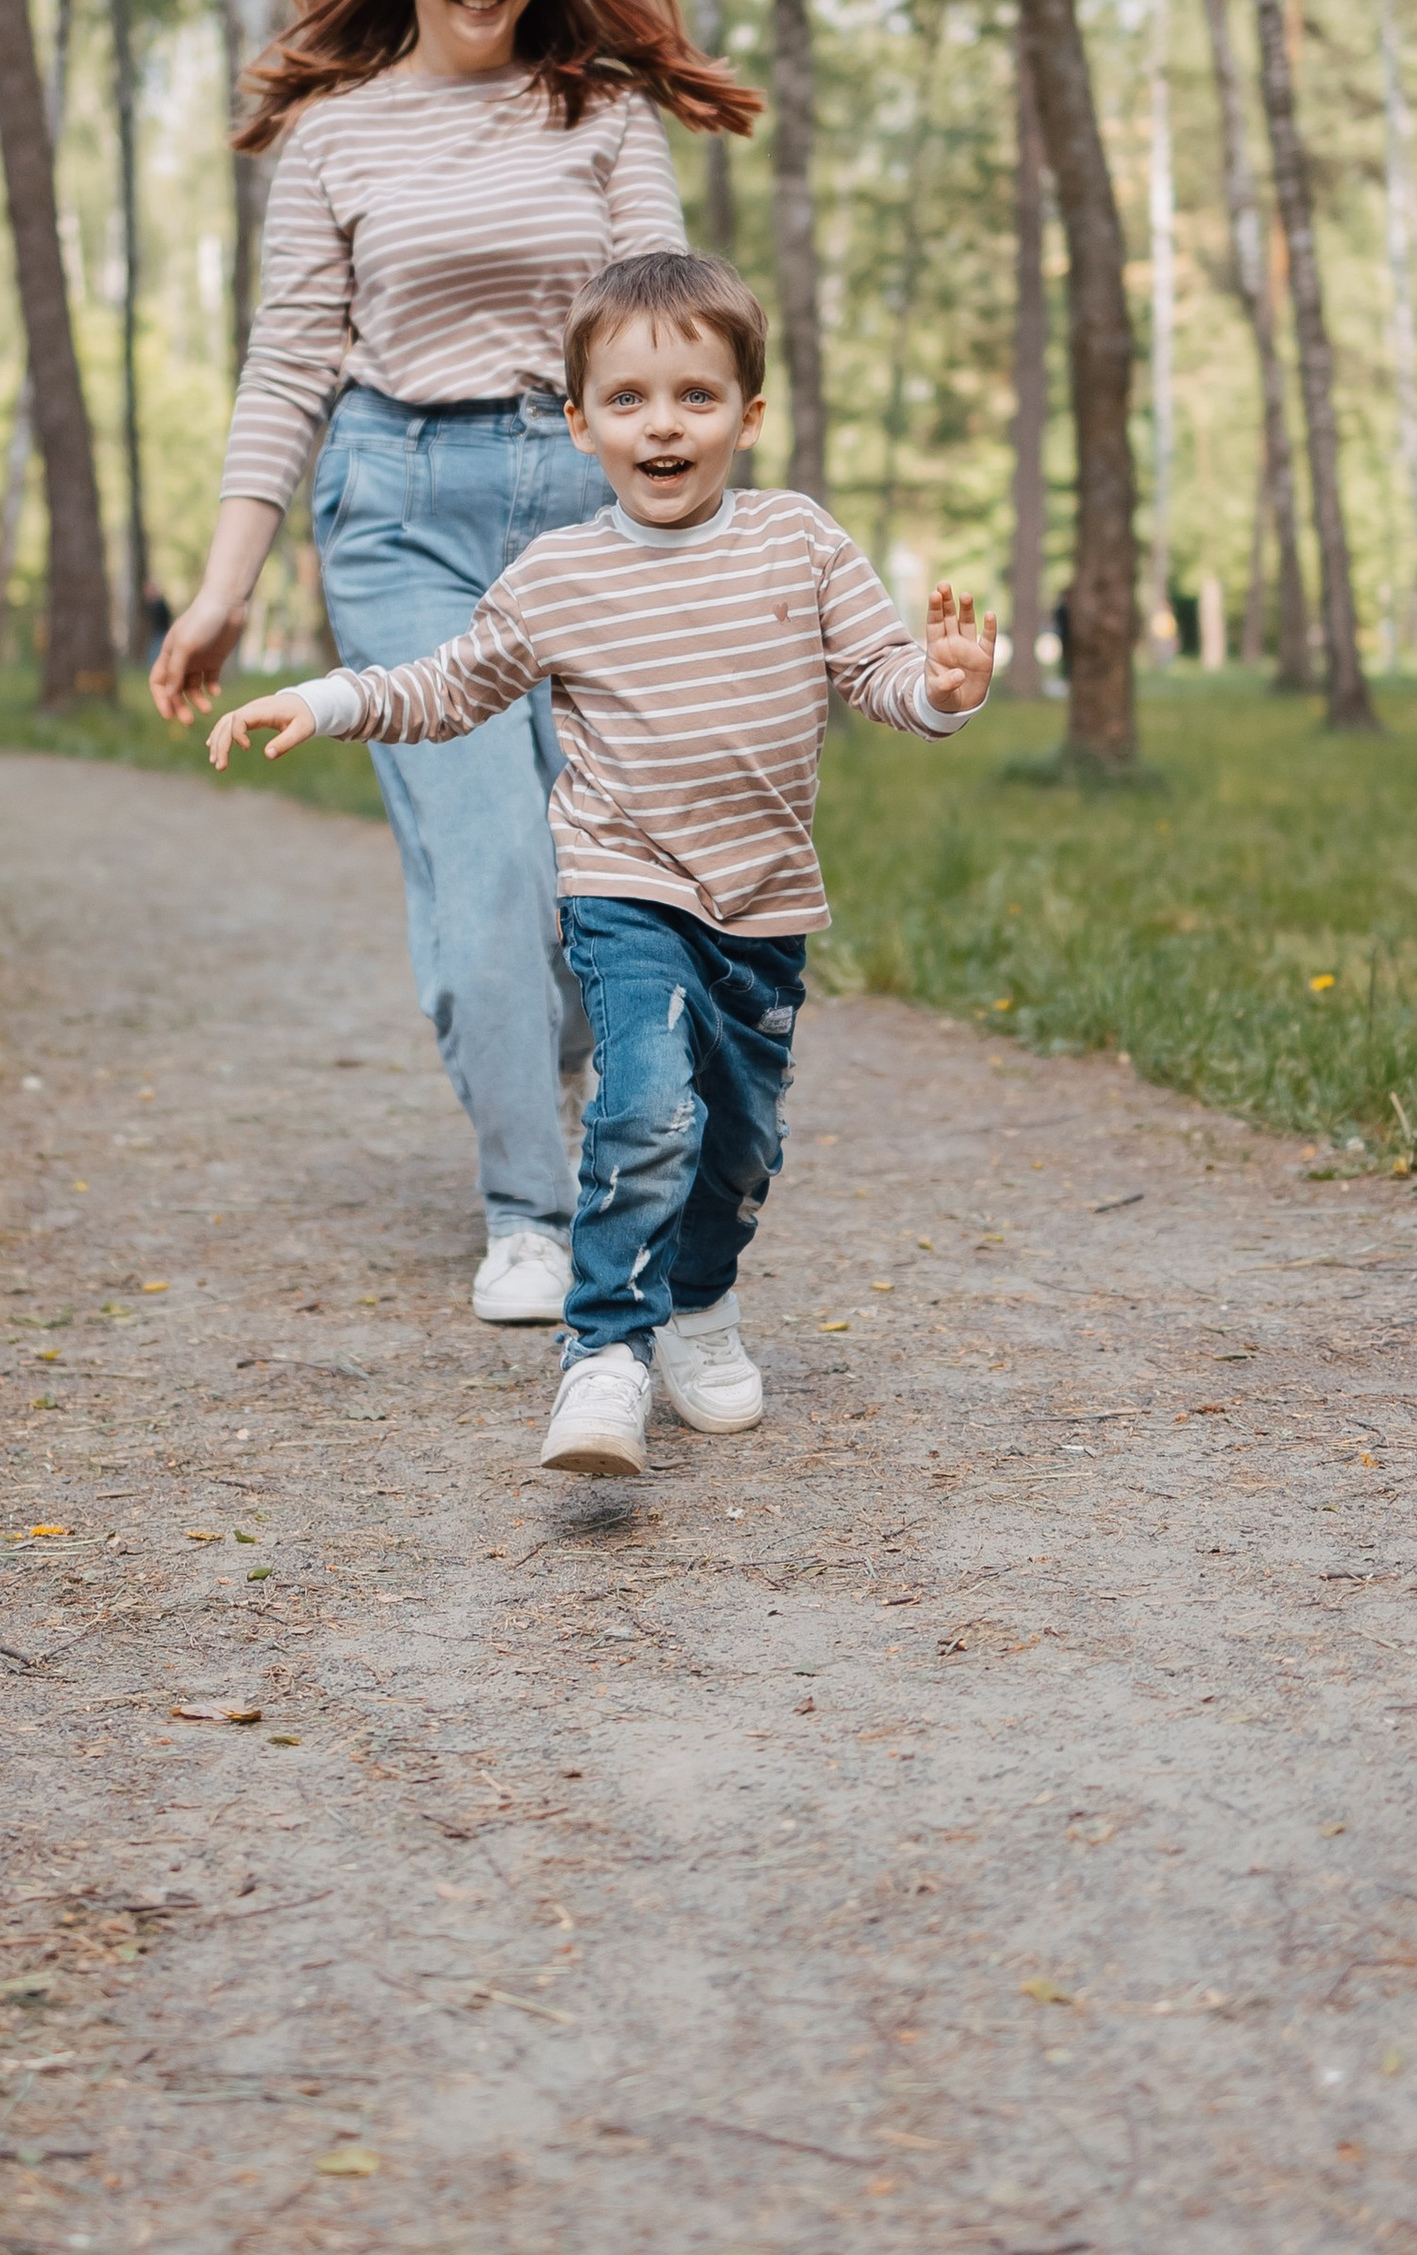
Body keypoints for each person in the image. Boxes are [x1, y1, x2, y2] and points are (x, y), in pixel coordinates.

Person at [208, 250, 999, 1478]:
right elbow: (449, 683)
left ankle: (695, 1300)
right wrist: (331, 697)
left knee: (740, 1144)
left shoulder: (799, 541)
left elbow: (879, 677)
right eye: (627, 400)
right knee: (642, 1109)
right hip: (625, 890)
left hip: (762, 904)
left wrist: (942, 691)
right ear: (578, 425)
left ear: (749, 412)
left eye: (695, 394)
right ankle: (605, 1357)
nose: (663, 424)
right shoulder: (560, 575)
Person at [151, 0, 759, 1328]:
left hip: (581, 503)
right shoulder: (336, 136)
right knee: (486, 865)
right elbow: (288, 364)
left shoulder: (604, 115)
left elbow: (655, 334)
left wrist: (691, 525)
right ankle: (527, 1213)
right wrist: (227, 584)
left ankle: (542, 1049)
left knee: (595, 874)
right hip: (400, 510)